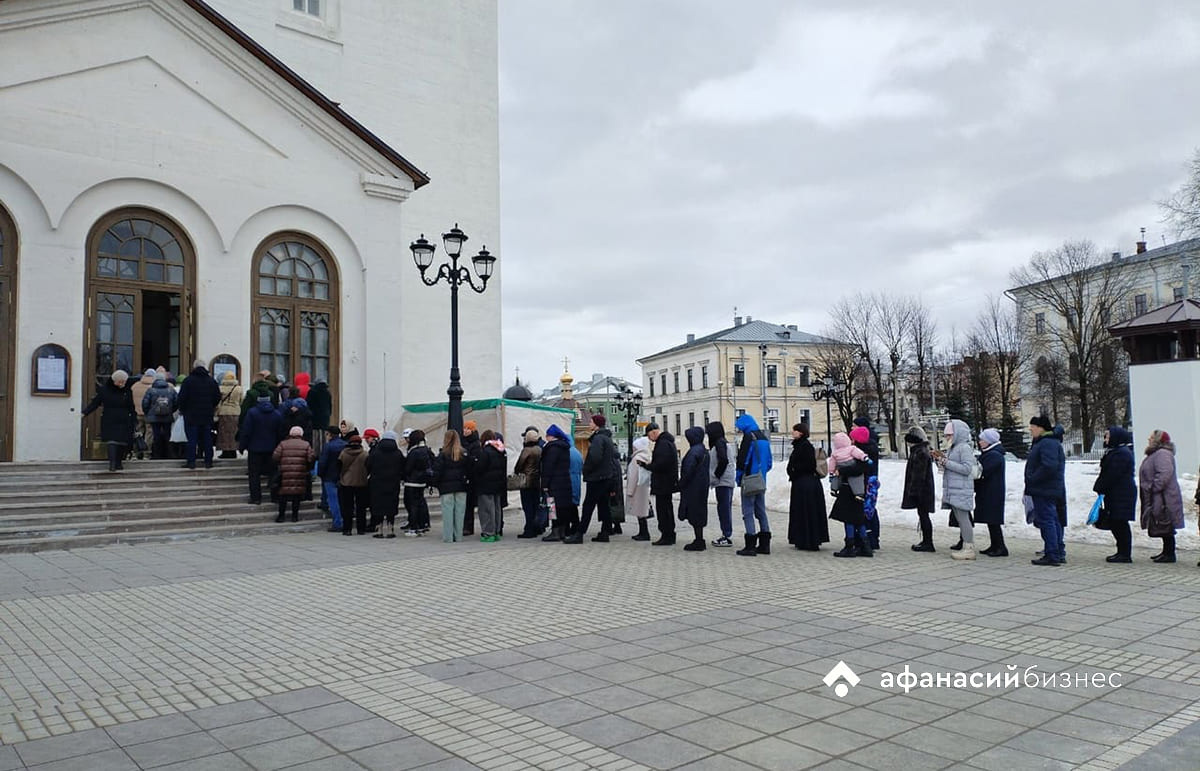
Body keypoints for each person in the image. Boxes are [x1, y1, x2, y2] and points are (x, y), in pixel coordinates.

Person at [1026, 415, 1067, 566]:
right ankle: (1056, 552)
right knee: (1052, 519)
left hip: (1044, 488)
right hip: (1047, 488)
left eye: (1033, 427)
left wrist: (1032, 478)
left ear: (1041, 428)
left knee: (1047, 520)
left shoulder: (1047, 443)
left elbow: (1049, 466)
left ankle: (1052, 554)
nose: (1030, 429)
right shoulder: (1047, 442)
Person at [1139, 429, 1184, 563]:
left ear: (1158, 440)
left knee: (1165, 521)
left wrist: (1154, 487)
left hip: (1164, 496)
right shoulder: (1156, 454)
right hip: (1159, 496)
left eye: (1152, 437)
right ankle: (1166, 551)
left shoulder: (1162, 454)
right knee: (1161, 522)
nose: (1149, 439)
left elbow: (1165, 473)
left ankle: (1169, 554)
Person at [935, 419, 977, 561]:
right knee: (960, 519)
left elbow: (967, 468)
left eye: (949, 435)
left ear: (958, 433)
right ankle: (966, 546)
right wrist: (940, 461)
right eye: (946, 435)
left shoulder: (964, 448)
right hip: (954, 489)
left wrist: (946, 462)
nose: (947, 438)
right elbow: (949, 466)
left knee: (964, 520)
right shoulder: (953, 448)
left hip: (961, 489)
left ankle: (969, 548)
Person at [1094, 426, 1136, 563]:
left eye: (1107, 436)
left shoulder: (1121, 454)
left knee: (1119, 522)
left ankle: (1124, 553)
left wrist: (1100, 486)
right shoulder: (1116, 452)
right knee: (1116, 521)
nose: (1105, 439)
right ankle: (1122, 551)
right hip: (1117, 492)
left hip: (1121, 493)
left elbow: (1112, 474)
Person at [82, 369, 137, 472]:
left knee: (122, 442)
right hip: (110, 419)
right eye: (120, 382)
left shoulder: (127, 390)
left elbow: (131, 406)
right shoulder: (105, 390)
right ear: (114, 381)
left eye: (124, 382)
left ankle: (118, 463)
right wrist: (85, 413)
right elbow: (95, 403)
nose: (122, 384)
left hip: (124, 419)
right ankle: (112, 463)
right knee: (112, 441)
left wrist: (134, 418)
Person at [829, 431, 872, 558]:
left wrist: (839, 471)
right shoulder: (857, 452)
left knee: (849, 519)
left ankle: (850, 546)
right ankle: (866, 546)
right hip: (858, 490)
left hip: (848, 490)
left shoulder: (852, 452)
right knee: (858, 519)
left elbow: (855, 470)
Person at [734, 414, 773, 556]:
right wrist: (762, 473)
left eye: (739, 427)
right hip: (761, 480)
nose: (738, 430)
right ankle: (765, 544)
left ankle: (750, 544)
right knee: (761, 511)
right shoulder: (763, 437)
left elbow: (742, 460)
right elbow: (769, 462)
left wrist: (739, 478)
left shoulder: (749, 438)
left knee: (748, 512)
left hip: (749, 479)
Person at [786, 423, 829, 551]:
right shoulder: (800, 445)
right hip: (802, 483)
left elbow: (808, 465)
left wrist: (794, 470)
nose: (792, 432)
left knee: (806, 512)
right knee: (802, 512)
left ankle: (809, 539)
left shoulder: (805, 446)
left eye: (795, 430)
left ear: (801, 433)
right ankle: (802, 538)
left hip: (806, 485)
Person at [579, 415, 619, 543]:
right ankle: (605, 532)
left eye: (591, 422)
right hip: (606, 477)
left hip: (596, 478)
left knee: (588, 506)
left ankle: (579, 534)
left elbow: (595, 458)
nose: (589, 424)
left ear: (596, 424)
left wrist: (586, 469)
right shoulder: (607, 438)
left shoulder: (598, 438)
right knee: (604, 505)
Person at [176, 359, 221, 469]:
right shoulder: (211, 381)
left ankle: (191, 462)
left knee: (192, 439)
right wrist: (211, 407)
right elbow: (217, 397)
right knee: (207, 438)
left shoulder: (188, 381)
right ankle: (208, 461)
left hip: (191, 415)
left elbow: (181, 398)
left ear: (194, 367)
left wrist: (183, 409)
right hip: (207, 414)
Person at [238, 395, 283, 504]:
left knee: (254, 474)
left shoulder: (252, 413)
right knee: (273, 473)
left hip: (255, 448)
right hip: (272, 448)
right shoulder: (276, 414)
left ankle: (256, 498)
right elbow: (280, 432)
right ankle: (275, 496)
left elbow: (246, 431)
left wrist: (242, 446)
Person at [902, 426, 937, 552]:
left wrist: (914, 491)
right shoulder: (921, 450)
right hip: (924, 490)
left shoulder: (920, 453)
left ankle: (928, 542)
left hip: (922, 491)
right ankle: (926, 541)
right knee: (922, 515)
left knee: (923, 515)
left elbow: (918, 475)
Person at [642, 423, 678, 546]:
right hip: (668, 482)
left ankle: (666, 535)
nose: (649, 439)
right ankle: (669, 534)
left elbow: (661, 464)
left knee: (663, 510)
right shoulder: (668, 442)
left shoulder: (662, 444)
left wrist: (648, 466)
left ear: (653, 432)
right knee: (667, 508)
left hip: (663, 483)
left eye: (649, 436)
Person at [975, 427, 1008, 557]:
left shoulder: (994, 455)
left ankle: (1000, 546)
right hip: (989, 490)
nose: (980, 442)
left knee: (994, 520)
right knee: (991, 520)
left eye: (982, 440)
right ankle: (994, 545)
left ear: (989, 441)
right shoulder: (990, 453)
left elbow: (983, 471)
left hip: (992, 492)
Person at [433, 430, 470, 542]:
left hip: (446, 487)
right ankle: (458, 536)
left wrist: (435, 483)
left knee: (447, 513)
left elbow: (437, 471)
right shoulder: (464, 453)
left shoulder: (443, 454)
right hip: (461, 486)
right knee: (460, 513)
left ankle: (448, 537)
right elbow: (469, 470)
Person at [367, 430, 406, 538]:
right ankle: (390, 529)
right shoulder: (398, 453)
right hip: (393, 483)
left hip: (377, 483)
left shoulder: (375, 452)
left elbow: (368, 465)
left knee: (378, 505)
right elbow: (403, 467)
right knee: (391, 505)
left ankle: (379, 529)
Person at [272, 425, 315, 523]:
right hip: (299, 473)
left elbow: (275, 457)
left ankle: (281, 516)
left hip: (285, 473)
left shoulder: (283, 444)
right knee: (296, 496)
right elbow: (310, 458)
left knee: (283, 495)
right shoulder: (306, 444)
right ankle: (294, 516)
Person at [541, 424, 576, 541]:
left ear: (552, 436)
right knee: (562, 508)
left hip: (554, 483)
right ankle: (562, 531)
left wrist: (545, 484)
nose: (546, 437)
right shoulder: (564, 447)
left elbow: (548, 467)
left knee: (552, 507)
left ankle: (555, 532)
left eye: (547, 435)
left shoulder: (552, 448)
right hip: (564, 482)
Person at [678, 426, 710, 551]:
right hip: (701, 485)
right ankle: (699, 539)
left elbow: (688, 470)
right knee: (699, 512)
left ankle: (699, 541)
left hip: (693, 487)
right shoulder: (703, 450)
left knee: (694, 512)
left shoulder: (693, 452)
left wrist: (681, 484)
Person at [853, 417, 882, 550]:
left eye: (854, 426)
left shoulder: (863, 449)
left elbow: (861, 467)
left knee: (866, 511)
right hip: (871, 480)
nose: (852, 428)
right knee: (870, 510)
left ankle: (868, 539)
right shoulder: (871, 444)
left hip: (866, 481)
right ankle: (872, 538)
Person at [706, 422, 736, 547]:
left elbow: (723, 460)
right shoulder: (723, 443)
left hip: (722, 482)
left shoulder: (719, 444)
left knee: (723, 509)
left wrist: (716, 475)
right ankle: (726, 534)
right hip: (726, 481)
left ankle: (726, 535)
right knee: (725, 508)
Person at [475, 429, 507, 542]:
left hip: (485, 484)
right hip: (498, 484)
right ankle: (497, 531)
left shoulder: (485, 451)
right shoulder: (500, 450)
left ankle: (488, 533)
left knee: (486, 509)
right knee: (497, 508)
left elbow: (480, 468)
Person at [402, 429, 434, 536]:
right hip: (422, 481)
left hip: (412, 482)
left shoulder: (414, 452)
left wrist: (404, 476)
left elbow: (408, 468)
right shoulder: (426, 450)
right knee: (420, 503)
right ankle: (422, 525)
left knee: (412, 505)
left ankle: (413, 527)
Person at [514, 428, 544, 538]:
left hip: (526, 482)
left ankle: (529, 529)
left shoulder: (527, 450)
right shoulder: (540, 449)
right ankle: (536, 528)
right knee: (535, 506)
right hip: (537, 482)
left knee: (527, 507)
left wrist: (517, 471)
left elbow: (519, 465)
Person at [338, 435, 370, 535]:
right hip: (362, 482)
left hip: (346, 482)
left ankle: (347, 529)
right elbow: (369, 467)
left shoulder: (343, 453)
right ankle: (361, 529)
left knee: (347, 507)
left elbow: (339, 467)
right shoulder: (365, 454)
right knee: (361, 507)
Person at [141, 373, 178, 460]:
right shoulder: (171, 390)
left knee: (156, 435)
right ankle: (169, 454)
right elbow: (176, 402)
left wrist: (148, 413)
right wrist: (171, 411)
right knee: (168, 435)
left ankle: (156, 455)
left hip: (154, 417)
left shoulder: (151, 390)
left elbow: (145, 403)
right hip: (167, 416)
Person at [316, 426, 346, 532]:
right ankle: (344, 521)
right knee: (342, 500)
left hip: (329, 476)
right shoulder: (345, 445)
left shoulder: (328, 446)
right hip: (343, 476)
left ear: (330, 434)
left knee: (333, 501)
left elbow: (323, 462)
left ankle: (338, 523)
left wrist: (320, 474)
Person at [626, 436, 653, 541]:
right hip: (644, 486)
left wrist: (630, 491)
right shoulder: (647, 456)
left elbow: (633, 475)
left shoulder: (636, 458)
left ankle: (644, 533)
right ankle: (643, 532)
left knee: (640, 512)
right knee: (643, 510)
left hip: (637, 488)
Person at [130, 369, 157, 459]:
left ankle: (135, 453)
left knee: (137, 433)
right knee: (149, 433)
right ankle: (146, 453)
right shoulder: (153, 386)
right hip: (149, 414)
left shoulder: (135, 386)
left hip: (137, 413)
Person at [215, 372, 242, 459]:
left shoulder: (220, 388)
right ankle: (233, 451)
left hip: (223, 412)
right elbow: (241, 401)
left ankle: (225, 451)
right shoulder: (238, 388)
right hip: (235, 412)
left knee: (224, 433)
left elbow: (218, 402)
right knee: (234, 432)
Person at [461, 420, 481, 536]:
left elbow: (474, 461)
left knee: (469, 504)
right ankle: (464, 525)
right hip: (464, 476)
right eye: (464, 428)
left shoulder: (476, 444)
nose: (465, 430)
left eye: (468, 428)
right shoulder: (462, 441)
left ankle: (468, 527)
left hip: (471, 477)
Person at [307, 377, 332, 454]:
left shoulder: (312, 391)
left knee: (316, 439)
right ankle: (323, 453)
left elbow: (309, 405)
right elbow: (330, 406)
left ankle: (316, 454)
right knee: (324, 437)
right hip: (325, 418)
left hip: (315, 419)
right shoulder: (327, 393)